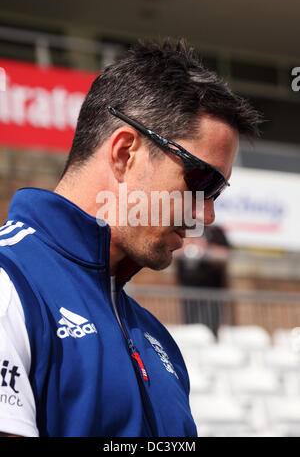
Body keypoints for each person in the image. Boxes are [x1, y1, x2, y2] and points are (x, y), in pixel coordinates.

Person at [0, 38, 261, 437]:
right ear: (125, 153)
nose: (206, 214)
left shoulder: (156, 340)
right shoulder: (9, 285)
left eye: (217, 192)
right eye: (202, 180)